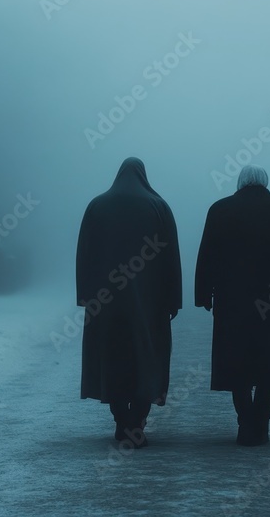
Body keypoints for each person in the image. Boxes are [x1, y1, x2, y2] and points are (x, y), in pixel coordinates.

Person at [195, 165, 270, 446]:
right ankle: (262, 422)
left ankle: (245, 421)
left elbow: (206, 255)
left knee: (238, 364)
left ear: (240, 182)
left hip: (233, 302)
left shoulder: (220, 210)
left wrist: (203, 294)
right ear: (265, 182)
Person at [76, 157, 182, 448]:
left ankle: (121, 420)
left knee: (112, 358)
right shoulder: (158, 207)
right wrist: (174, 299)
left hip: (105, 301)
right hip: (149, 302)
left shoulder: (97, 206)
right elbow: (170, 257)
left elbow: (84, 253)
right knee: (147, 358)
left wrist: (85, 295)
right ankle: (138, 422)